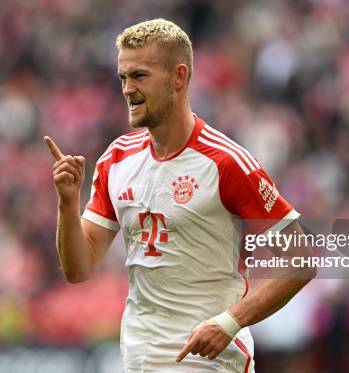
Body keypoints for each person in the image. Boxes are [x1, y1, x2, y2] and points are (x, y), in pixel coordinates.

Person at [44, 18, 316, 372]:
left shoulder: (226, 162)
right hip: (140, 355)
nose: (127, 89)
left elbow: (300, 258)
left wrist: (230, 322)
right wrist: (67, 202)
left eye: (139, 76)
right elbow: (79, 269)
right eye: (122, 77)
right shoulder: (116, 159)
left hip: (208, 360)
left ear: (179, 77)